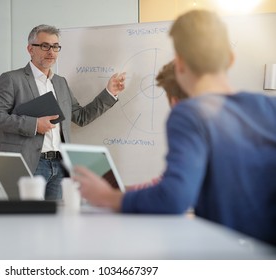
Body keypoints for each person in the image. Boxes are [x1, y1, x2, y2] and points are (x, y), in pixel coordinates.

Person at [73, 9, 276, 246]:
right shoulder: (269, 106)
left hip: (226, 254)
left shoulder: (190, 113)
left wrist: (107, 196)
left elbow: (174, 198)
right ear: (231, 58)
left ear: (179, 64)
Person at [0, 24, 126, 200]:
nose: (51, 51)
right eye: (45, 46)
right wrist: (34, 124)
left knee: (56, 224)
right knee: (27, 223)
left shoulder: (60, 82)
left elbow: (81, 117)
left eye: (55, 46)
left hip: (59, 165)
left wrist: (110, 93)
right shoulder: (12, 79)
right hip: (28, 164)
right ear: (30, 49)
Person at [126, 60, 188, 191]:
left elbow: (169, 193)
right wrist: (120, 191)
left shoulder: (186, 130)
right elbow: (166, 183)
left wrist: (111, 196)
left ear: (174, 101)